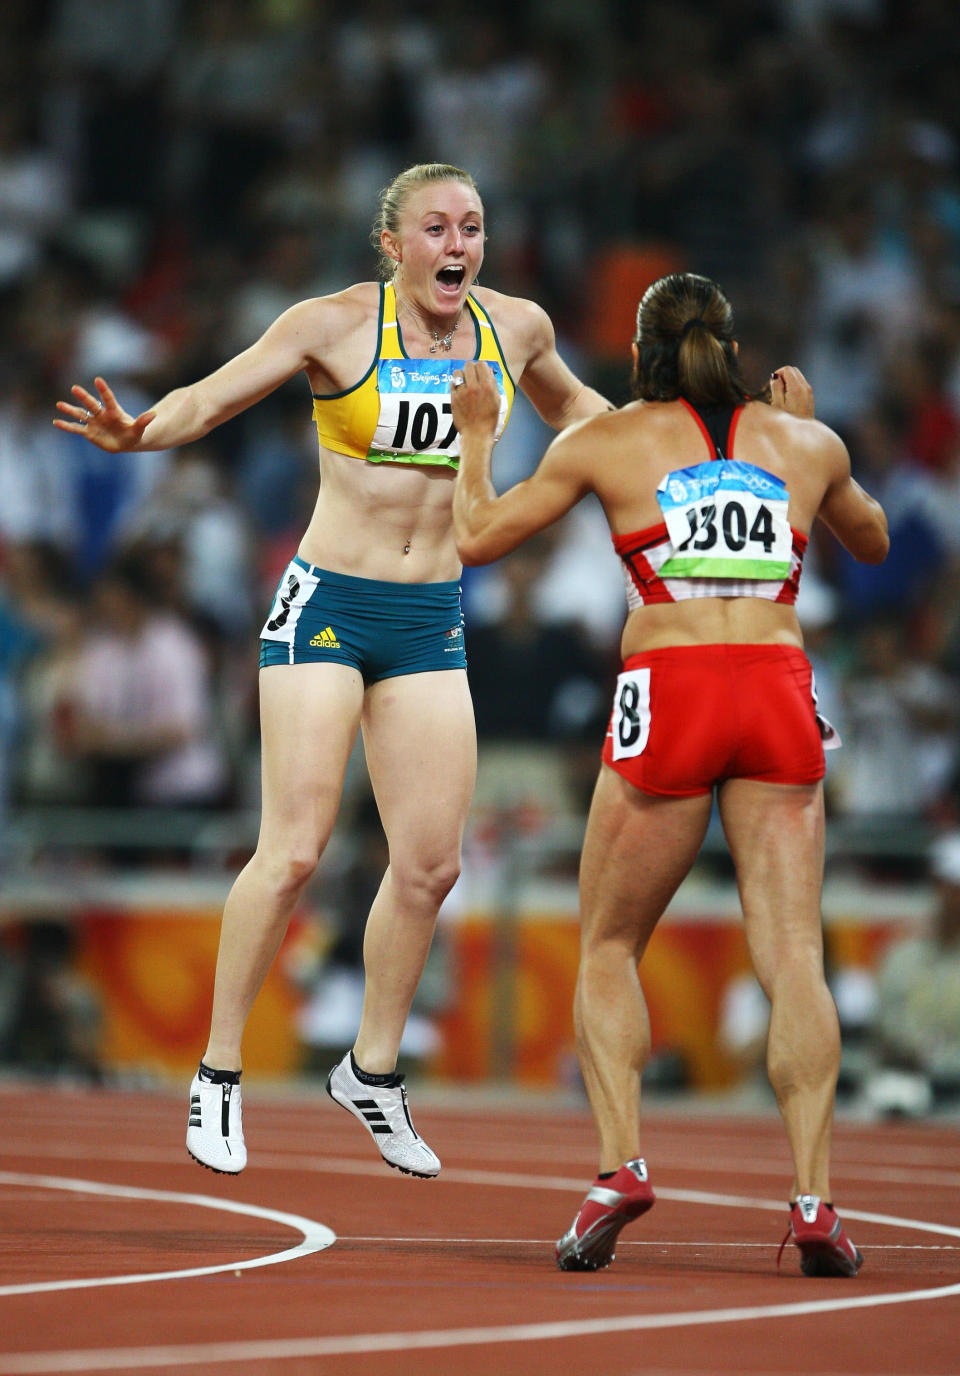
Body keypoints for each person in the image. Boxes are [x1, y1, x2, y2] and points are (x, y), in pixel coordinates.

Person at [54, 162, 611, 1178]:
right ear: (392, 241)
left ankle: (372, 1067)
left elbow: (584, 411)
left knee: (432, 864)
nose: (458, 245)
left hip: (431, 614)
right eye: (437, 227)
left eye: (474, 228)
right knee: (298, 848)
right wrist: (142, 433)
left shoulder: (517, 326)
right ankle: (217, 1073)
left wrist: (680, 447)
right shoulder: (334, 324)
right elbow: (210, 397)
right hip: (329, 606)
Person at [449, 271, 889, 1274]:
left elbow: (478, 536)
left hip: (672, 683)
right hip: (776, 683)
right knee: (794, 960)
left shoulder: (606, 442)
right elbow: (872, 539)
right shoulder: (805, 444)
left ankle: (620, 1165)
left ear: (642, 354)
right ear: (733, 352)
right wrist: (813, 442)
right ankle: (816, 1199)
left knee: (607, 941)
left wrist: (478, 433)